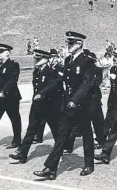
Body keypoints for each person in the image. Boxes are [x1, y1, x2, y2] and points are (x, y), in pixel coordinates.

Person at [33, 31, 96, 180]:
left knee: (87, 135)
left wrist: (75, 100)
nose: (68, 45)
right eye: (68, 42)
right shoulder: (68, 60)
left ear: (79, 44)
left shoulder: (87, 61)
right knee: (61, 136)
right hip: (68, 105)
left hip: (82, 105)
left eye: (71, 43)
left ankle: (89, 164)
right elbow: (65, 83)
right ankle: (51, 168)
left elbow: (86, 84)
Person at [9, 49, 62, 164]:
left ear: (46, 60)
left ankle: (60, 150)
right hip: (38, 106)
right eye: (36, 59)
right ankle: (22, 154)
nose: (36, 61)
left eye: (39, 59)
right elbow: (35, 89)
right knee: (31, 130)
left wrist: (41, 94)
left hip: (50, 107)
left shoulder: (51, 72)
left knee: (56, 131)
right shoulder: (36, 72)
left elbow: (53, 85)